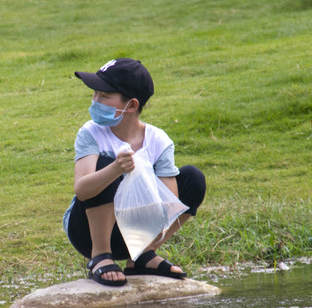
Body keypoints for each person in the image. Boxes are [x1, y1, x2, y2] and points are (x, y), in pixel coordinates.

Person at [63, 58, 206, 287]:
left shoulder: (159, 141)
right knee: (105, 165)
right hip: (87, 232)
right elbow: (82, 190)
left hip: (137, 234)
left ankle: (142, 256)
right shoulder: (91, 132)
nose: (95, 100)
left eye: (104, 96)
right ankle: (100, 257)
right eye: (95, 94)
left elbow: (168, 206)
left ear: (130, 105)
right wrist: (115, 169)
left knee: (193, 179)